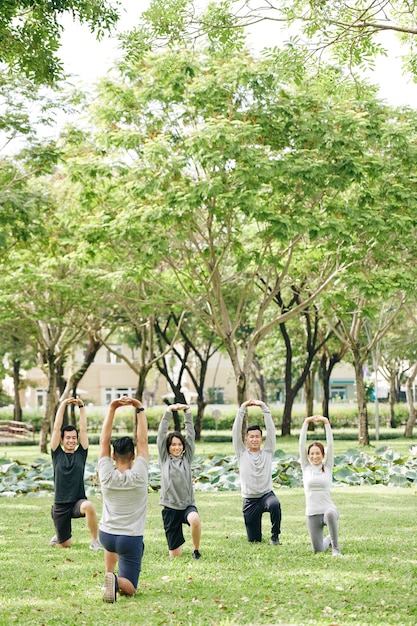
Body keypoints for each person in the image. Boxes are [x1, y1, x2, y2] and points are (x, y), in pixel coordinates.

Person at [98, 396, 149, 603]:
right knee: (131, 588)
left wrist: (112, 408)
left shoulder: (106, 474)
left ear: (112, 455)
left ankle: (108, 576)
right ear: (134, 456)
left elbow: (103, 440)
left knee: (112, 547)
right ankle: (115, 581)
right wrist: (139, 408)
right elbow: (143, 440)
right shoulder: (139, 475)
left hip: (106, 536)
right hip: (130, 538)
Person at [50, 397, 102, 550]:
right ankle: (61, 534)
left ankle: (95, 541)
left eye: (74, 438)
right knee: (65, 545)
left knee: (89, 506)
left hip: (77, 502)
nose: (71, 440)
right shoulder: (56, 453)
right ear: (62, 440)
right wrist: (63, 405)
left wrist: (81, 407)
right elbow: (56, 428)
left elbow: (83, 428)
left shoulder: (81, 453)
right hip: (60, 505)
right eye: (68, 438)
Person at [232, 399, 282, 545]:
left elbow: (271, 430)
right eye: (251, 437)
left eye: (257, 436)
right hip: (249, 500)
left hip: (266, 495)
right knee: (254, 540)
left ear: (261, 439)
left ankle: (275, 536)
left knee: (274, 504)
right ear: (246, 439)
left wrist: (264, 408)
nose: (254, 439)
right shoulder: (241, 452)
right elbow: (235, 432)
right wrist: (242, 408)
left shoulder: (267, 451)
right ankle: (256, 533)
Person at [157, 403, 202, 559]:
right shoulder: (164, 459)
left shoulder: (187, 458)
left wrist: (187, 413)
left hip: (187, 505)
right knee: (175, 556)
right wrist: (168, 411)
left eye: (179, 444)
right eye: (173, 445)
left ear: (183, 446)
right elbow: (161, 434)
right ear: (168, 447)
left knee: (195, 520)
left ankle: (196, 550)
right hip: (170, 508)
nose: (176, 447)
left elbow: (191, 435)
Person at [299, 415, 341, 556]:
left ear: (323, 455)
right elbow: (301, 445)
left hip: (328, 510)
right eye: (312, 454)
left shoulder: (327, 467)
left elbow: (331, 445)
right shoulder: (306, 467)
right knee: (318, 550)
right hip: (312, 513)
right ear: (308, 455)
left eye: (318, 453)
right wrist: (306, 422)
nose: (315, 456)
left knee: (329, 513)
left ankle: (336, 548)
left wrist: (326, 423)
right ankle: (329, 539)